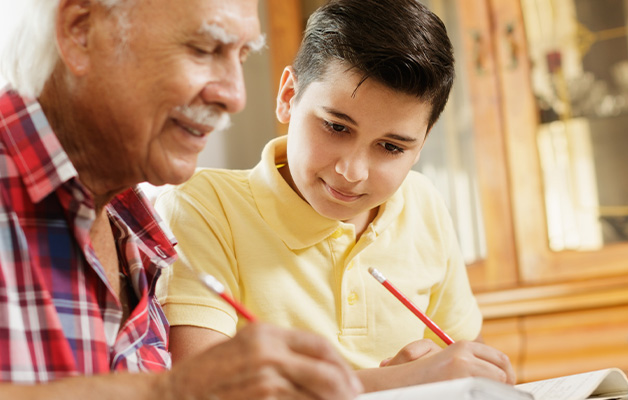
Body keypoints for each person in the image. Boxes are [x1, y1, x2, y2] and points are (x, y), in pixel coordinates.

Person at [0, 0, 364, 399]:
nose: (234, 94)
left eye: (242, 57)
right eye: (206, 49)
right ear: (80, 33)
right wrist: (170, 391)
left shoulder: (139, 236)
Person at [154, 0, 516, 393]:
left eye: (392, 148)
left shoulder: (423, 202)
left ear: (423, 144)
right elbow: (203, 390)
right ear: (289, 95)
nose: (352, 172)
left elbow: (464, 365)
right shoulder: (203, 206)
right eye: (336, 127)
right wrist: (398, 381)